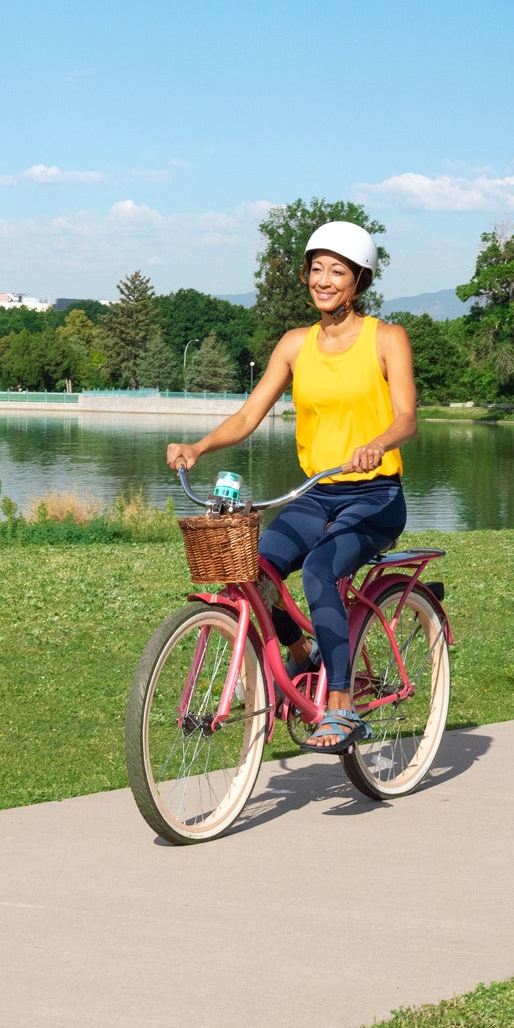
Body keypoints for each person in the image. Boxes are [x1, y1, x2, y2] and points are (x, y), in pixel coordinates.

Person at [167, 220, 419, 750]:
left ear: (359, 281)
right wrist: (199, 446)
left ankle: (343, 706)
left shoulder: (386, 339)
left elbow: (407, 419)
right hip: (317, 492)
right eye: (317, 270)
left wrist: (378, 442)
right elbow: (248, 415)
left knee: (321, 572)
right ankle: (302, 657)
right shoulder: (294, 345)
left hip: (375, 496)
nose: (324, 280)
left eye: (338, 271)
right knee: (255, 571)